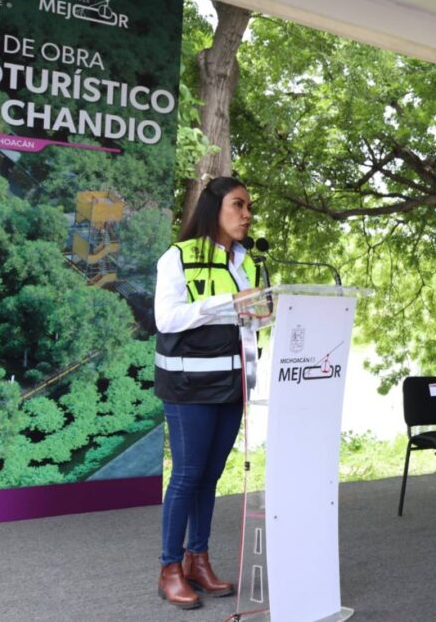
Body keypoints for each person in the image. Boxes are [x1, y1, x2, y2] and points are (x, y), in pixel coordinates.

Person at [153, 177, 266, 609]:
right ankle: (169, 568)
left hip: (230, 384)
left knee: (210, 476)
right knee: (187, 475)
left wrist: (264, 313)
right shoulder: (178, 257)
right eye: (238, 205)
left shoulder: (247, 261)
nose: (246, 214)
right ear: (214, 208)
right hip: (188, 385)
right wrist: (228, 302)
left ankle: (197, 559)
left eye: (249, 207)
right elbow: (167, 318)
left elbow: (248, 322)